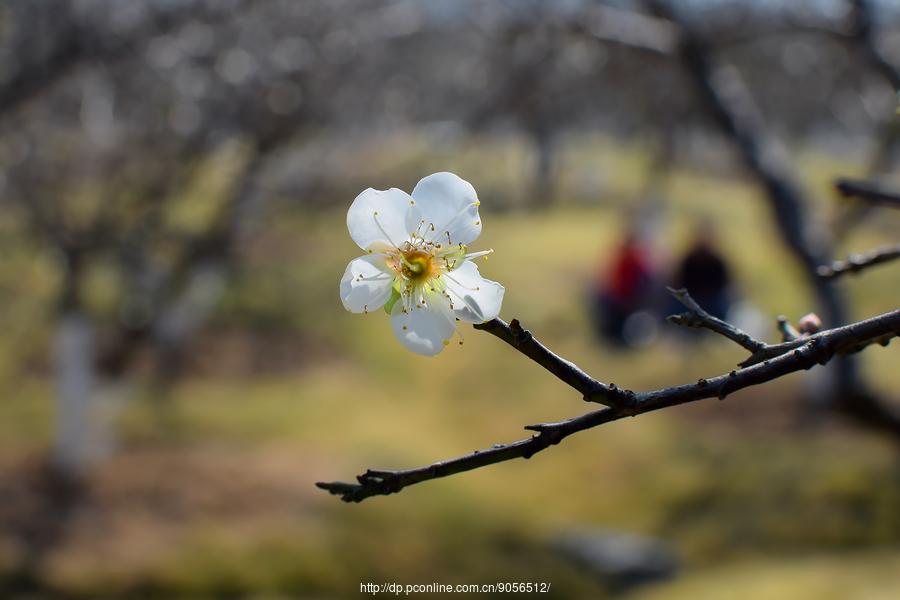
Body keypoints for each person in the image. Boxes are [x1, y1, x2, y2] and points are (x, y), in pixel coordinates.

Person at [592, 227, 657, 346]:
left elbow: (644, 286)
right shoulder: (626, 261)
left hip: (630, 303)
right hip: (620, 301)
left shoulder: (637, 262)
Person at [671, 223, 732, 321]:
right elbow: (681, 283)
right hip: (692, 299)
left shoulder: (717, 261)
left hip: (712, 301)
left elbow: (723, 286)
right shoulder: (690, 259)